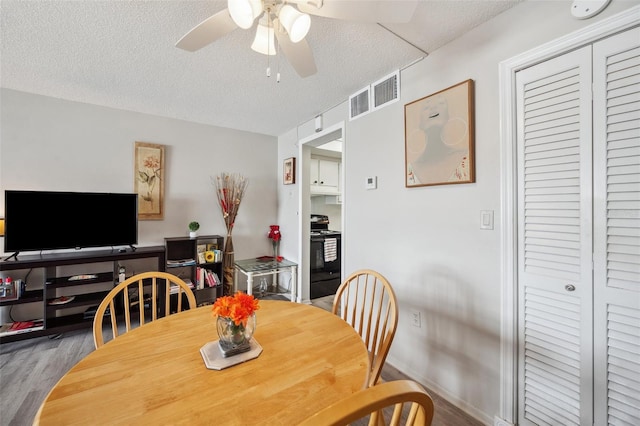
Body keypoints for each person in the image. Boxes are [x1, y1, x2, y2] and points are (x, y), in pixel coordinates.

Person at [406, 94, 470, 185]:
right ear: (420, 123)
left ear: (448, 115)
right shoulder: (409, 168)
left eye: (441, 103)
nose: (433, 107)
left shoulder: (467, 157)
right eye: (426, 107)